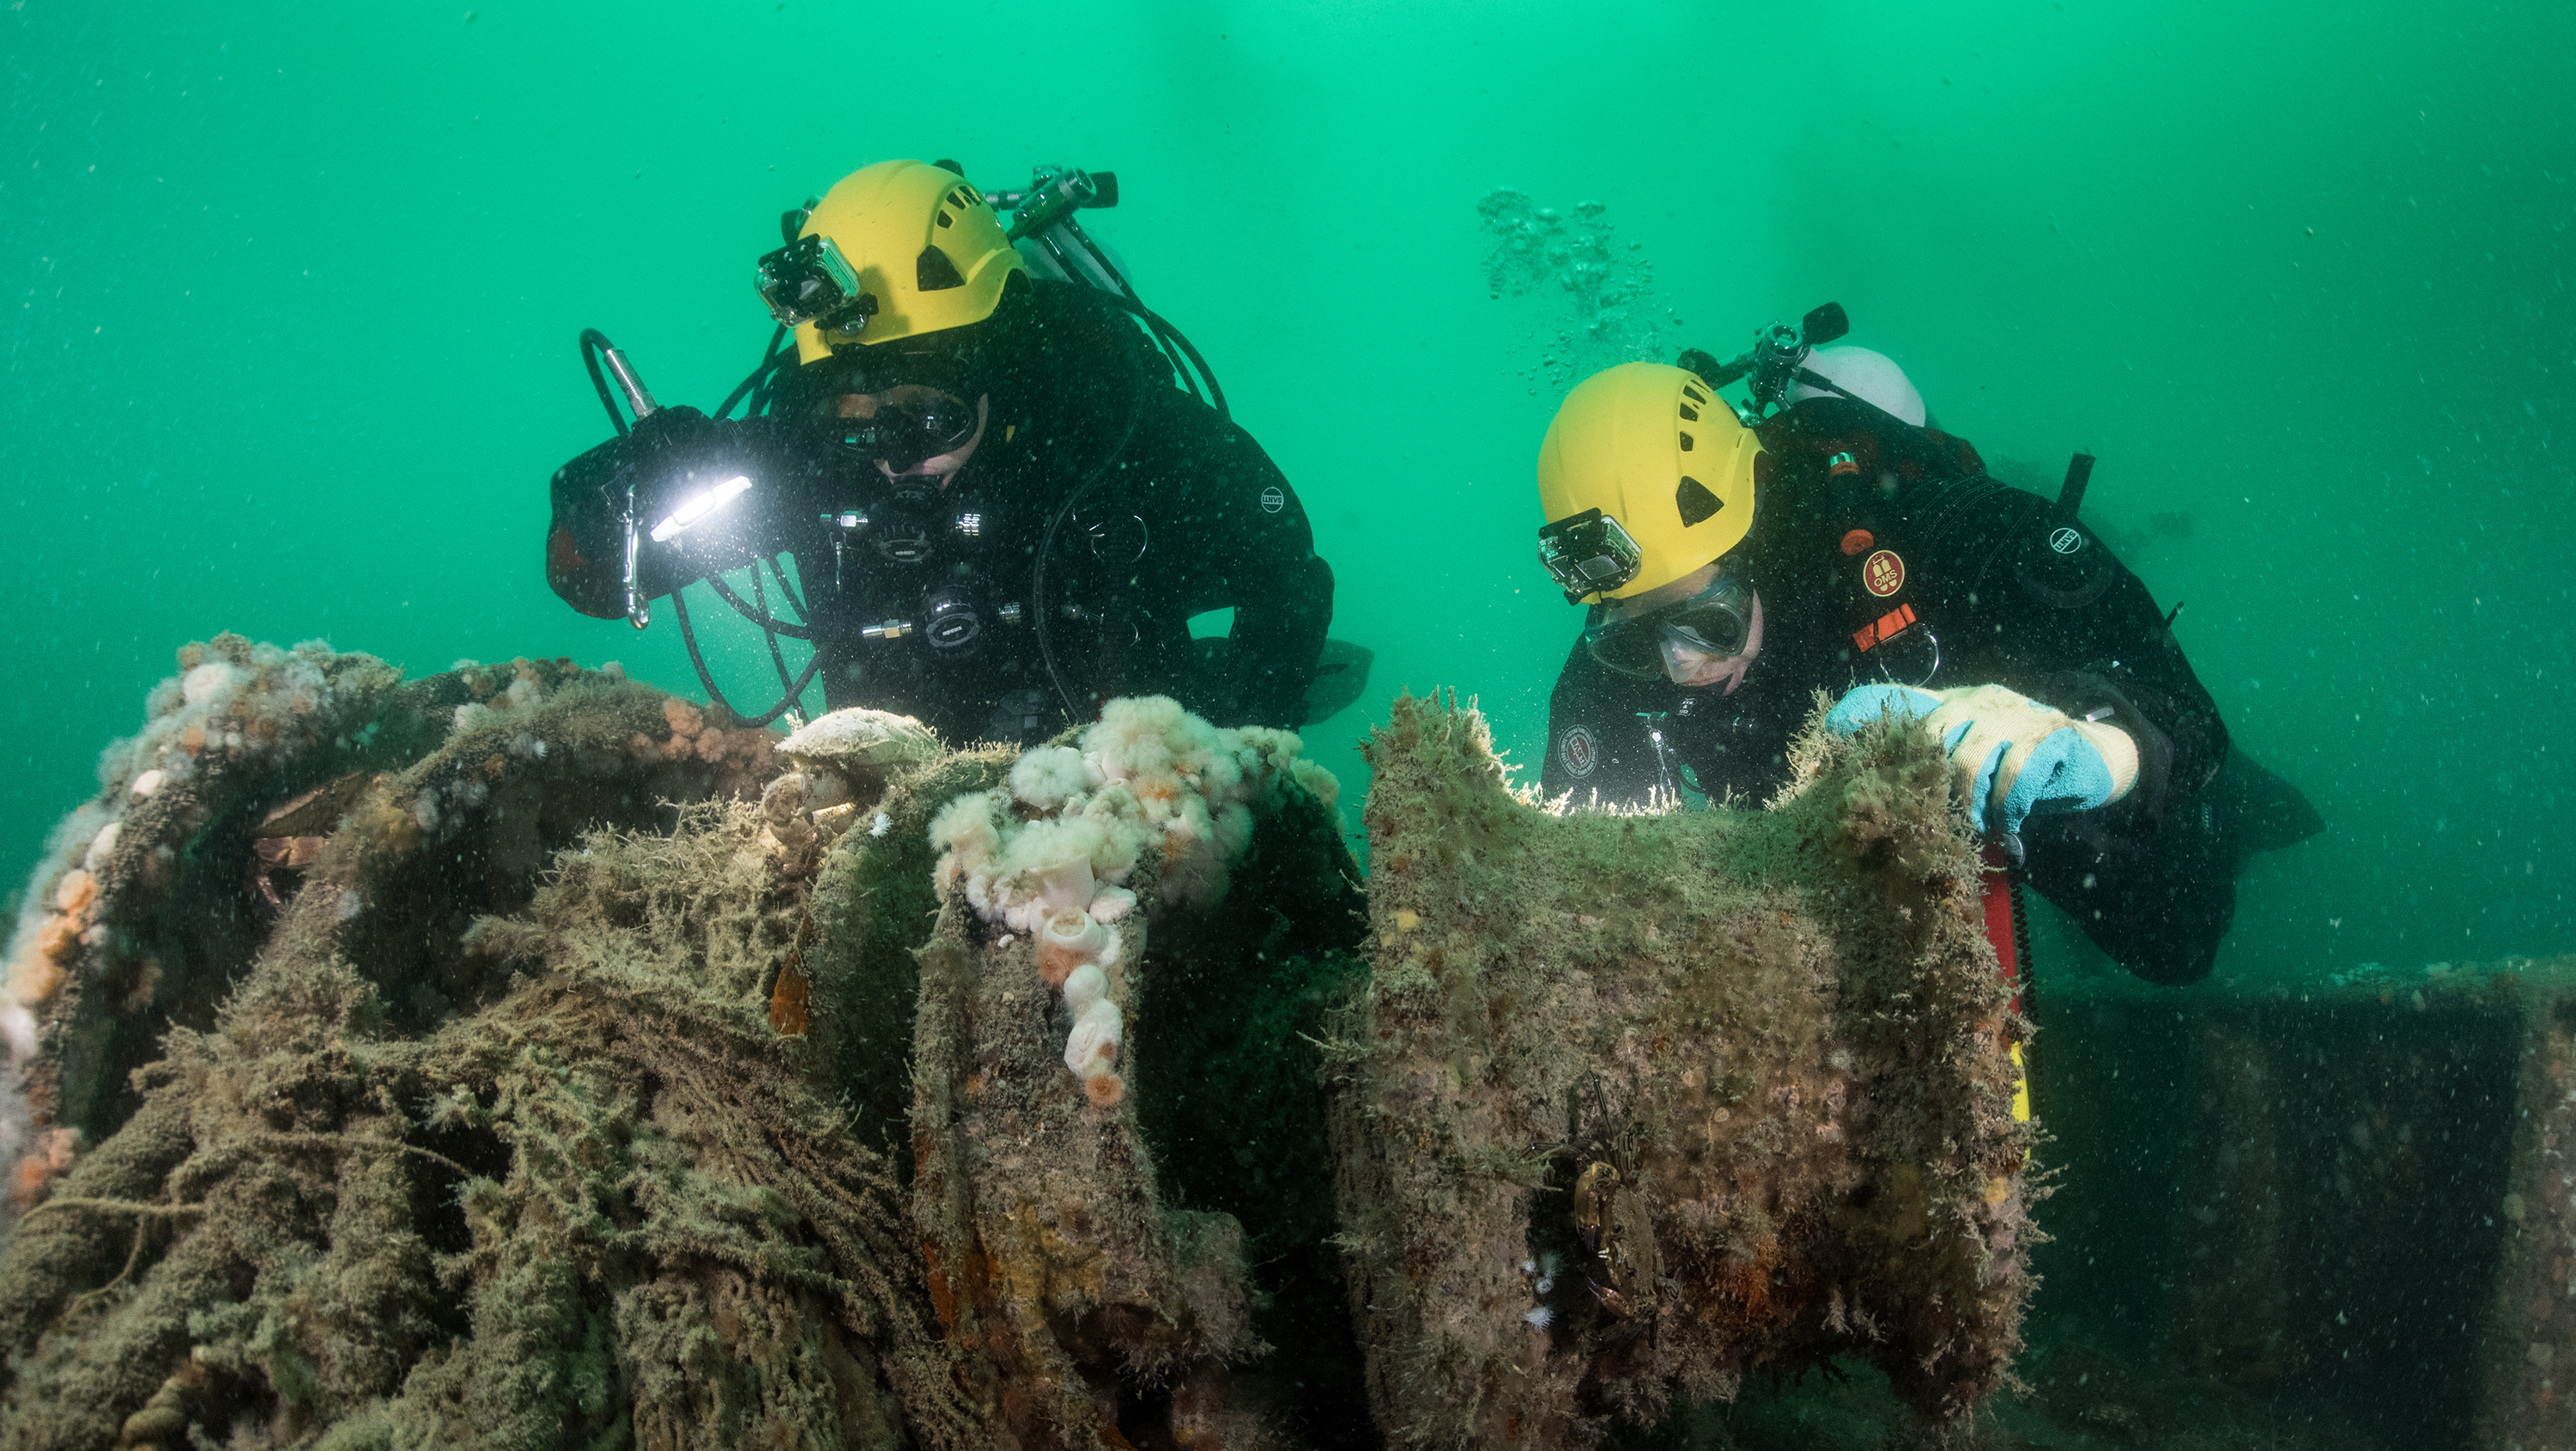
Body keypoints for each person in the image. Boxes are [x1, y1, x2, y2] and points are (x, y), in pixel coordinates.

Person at [1530, 353, 2319, 985]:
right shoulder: (1615, 652)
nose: (1679, 669)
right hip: (1856, 867)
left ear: (1756, 539)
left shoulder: (1953, 535)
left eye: (1708, 624)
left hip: (2045, 781)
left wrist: (2098, 748)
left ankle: (2242, 811)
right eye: (1638, 639)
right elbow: (1575, 882)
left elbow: (2181, 706)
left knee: (2177, 943)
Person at [542, 158, 1335, 745]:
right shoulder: (812, 456)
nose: (891, 456)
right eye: (854, 416)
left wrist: (1229, 737)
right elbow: (593, 581)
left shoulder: (1115, 433)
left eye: (930, 415)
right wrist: (612, 488)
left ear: (998, 372)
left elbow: (1287, 571)